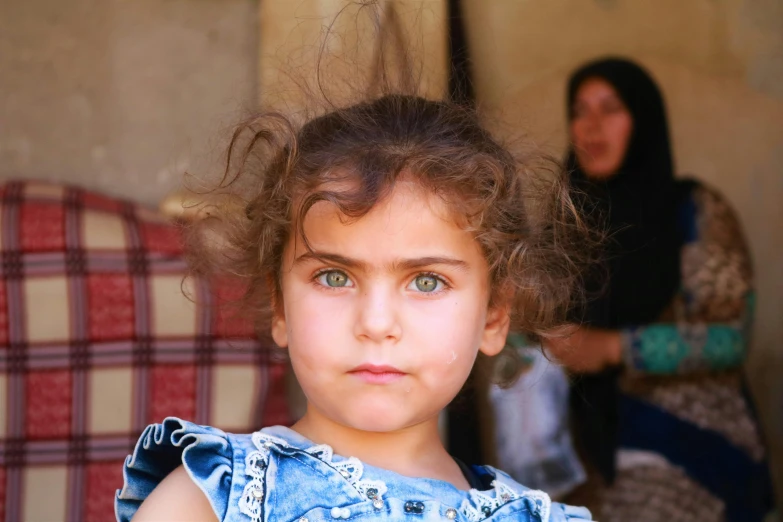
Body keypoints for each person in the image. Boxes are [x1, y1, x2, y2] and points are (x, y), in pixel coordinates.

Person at [114, 93, 595, 521]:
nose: (376, 323)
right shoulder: (214, 499)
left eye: (427, 281)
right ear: (280, 304)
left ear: (494, 315)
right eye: (335, 277)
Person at [547, 57, 775, 522]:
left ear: (644, 120)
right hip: (586, 449)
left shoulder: (693, 211)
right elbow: (537, 328)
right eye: (579, 110)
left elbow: (730, 338)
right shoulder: (566, 221)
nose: (591, 126)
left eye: (610, 108)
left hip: (691, 444)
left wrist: (612, 347)